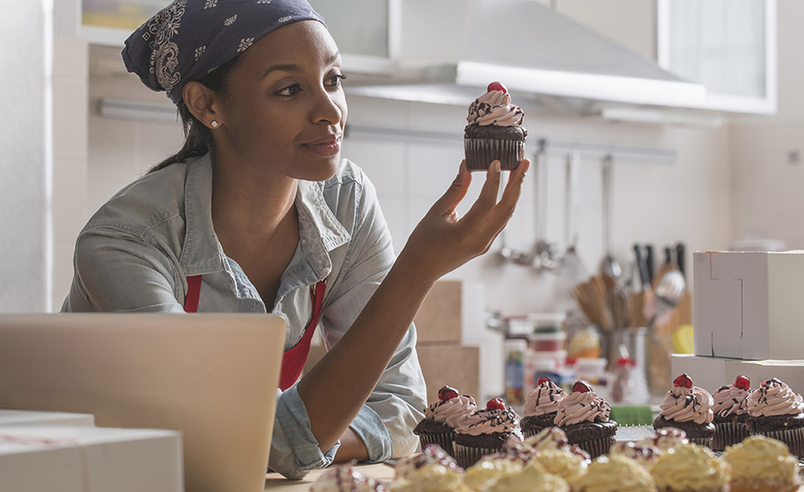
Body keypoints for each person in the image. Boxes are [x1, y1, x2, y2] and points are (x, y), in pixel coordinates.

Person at [62, 0, 529, 480]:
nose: (330, 111)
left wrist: (302, 441)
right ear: (208, 105)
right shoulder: (126, 241)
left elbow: (403, 410)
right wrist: (417, 271)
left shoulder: (345, 200)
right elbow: (245, 445)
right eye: (289, 89)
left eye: (334, 80)